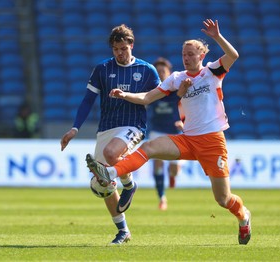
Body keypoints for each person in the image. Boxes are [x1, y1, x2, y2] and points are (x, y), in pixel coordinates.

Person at [86, 19, 252, 245]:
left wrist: (217, 37)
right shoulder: (177, 78)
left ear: (201, 55)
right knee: (150, 147)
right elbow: (147, 97)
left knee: (222, 199)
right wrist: (125, 95)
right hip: (188, 139)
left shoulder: (213, 71)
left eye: (191, 54)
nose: (186, 57)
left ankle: (243, 217)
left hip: (213, 141)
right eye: (184, 54)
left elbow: (233, 56)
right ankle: (111, 173)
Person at [60, 24, 161, 245]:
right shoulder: (102, 69)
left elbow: (159, 96)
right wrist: (75, 128)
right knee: (103, 182)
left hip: (133, 126)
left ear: (131, 45)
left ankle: (129, 184)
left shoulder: (147, 70)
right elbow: (88, 100)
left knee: (111, 153)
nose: (120, 53)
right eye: (116, 49)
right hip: (107, 128)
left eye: (124, 48)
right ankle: (123, 230)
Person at [148, 57, 183, 210]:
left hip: (175, 132)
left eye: (163, 71)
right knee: (157, 164)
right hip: (157, 130)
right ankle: (162, 197)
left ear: (169, 73)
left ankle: (172, 176)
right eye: (158, 71)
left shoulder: (176, 90)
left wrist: (184, 121)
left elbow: (188, 105)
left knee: (175, 169)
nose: (161, 74)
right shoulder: (152, 90)